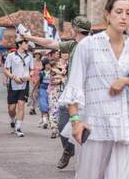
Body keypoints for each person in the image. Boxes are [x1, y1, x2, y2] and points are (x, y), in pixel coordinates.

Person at [59, 0, 129, 179]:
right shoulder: (87, 46)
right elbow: (75, 86)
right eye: (119, 12)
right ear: (107, 14)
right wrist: (75, 121)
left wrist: (128, 82)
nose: (124, 17)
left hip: (127, 125)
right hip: (95, 124)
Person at [21, 15, 91, 169]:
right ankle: (69, 149)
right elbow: (51, 43)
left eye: (73, 28)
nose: (71, 30)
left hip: (87, 95)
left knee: (82, 129)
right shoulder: (73, 44)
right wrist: (28, 36)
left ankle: (84, 162)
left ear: (77, 29)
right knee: (61, 126)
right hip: (70, 93)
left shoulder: (91, 46)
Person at [3, 37, 34, 137]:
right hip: (13, 84)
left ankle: (18, 128)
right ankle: (13, 120)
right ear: (20, 44)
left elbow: (32, 70)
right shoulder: (11, 56)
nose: (27, 44)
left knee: (21, 105)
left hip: (24, 85)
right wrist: (13, 77)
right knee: (11, 109)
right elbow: (6, 70)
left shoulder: (29, 56)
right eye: (25, 43)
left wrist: (29, 76)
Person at [32, 58, 51, 128]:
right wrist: (33, 90)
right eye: (47, 64)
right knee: (43, 103)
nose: (49, 65)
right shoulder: (42, 73)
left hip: (52, 89)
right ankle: (45, 121)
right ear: (44, 65)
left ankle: (42, 120)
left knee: (50, 105)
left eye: (49, 64)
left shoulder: (53, 72)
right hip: (43, 88)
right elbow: (38, 82)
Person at [28, 51, 42, 116]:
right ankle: (32, 107)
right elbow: (30, 70)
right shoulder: (32, 61)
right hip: (32, 79)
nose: (37, 55)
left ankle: (33, 108)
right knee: (31, 93)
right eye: (36, 54)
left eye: (38, 54)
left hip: (39, 80)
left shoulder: (42, 62)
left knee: (36, 94)